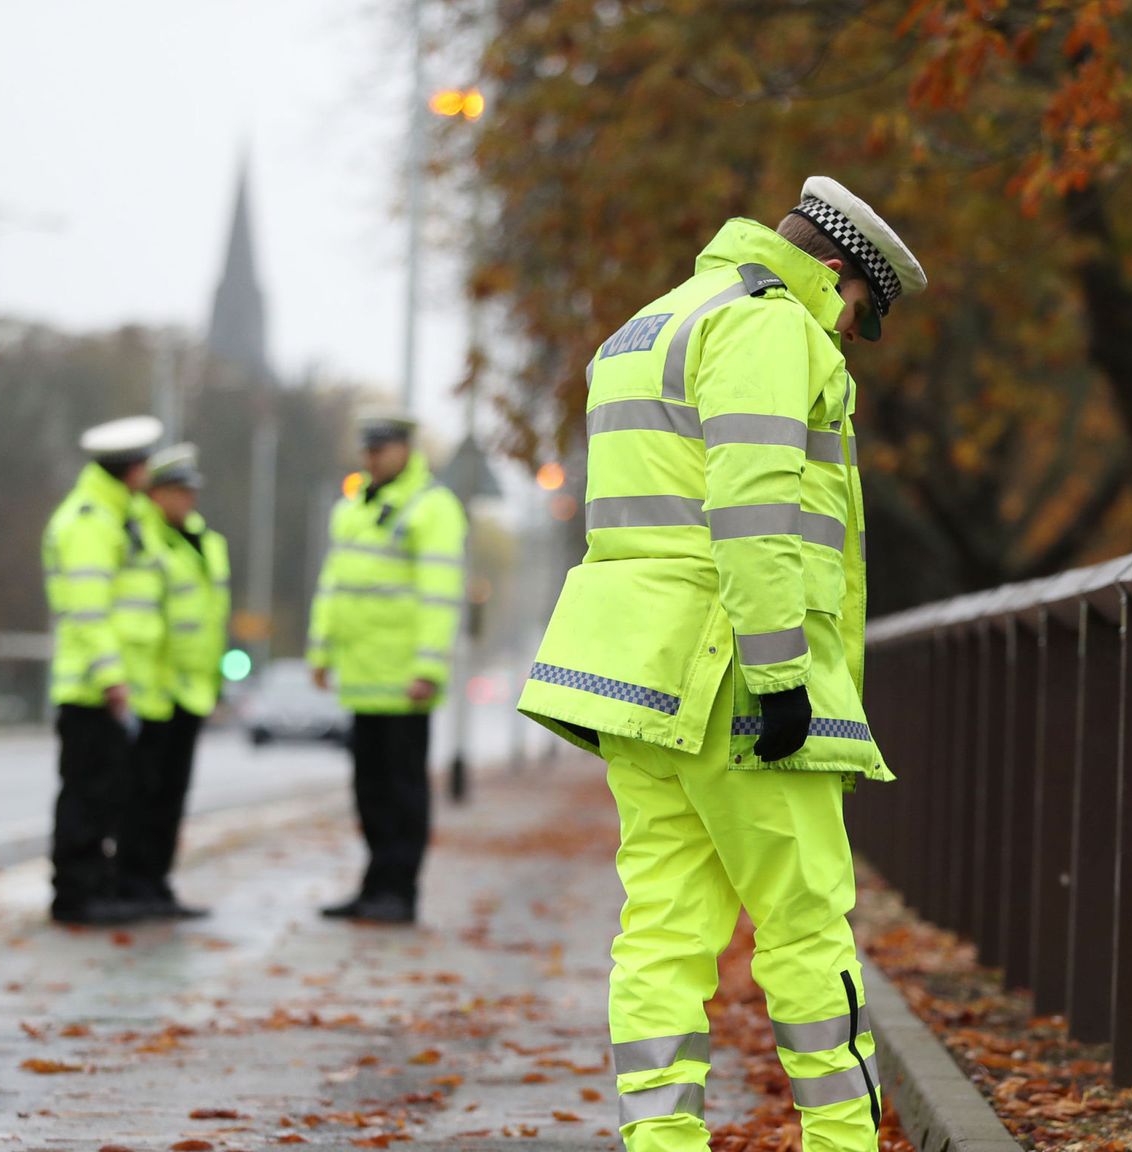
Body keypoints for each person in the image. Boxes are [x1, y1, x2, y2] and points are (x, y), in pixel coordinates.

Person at [517, 176, 926, 1152]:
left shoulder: (645, 327)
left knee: (660, 932)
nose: (844, 329)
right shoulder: (769, 327)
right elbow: (753, 515)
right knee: (805, 928)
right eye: (855, 312)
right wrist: (782, 674)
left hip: (639, 684)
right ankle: (841, 1144)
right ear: (834, 270)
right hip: (733, 678)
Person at [306, 411, 468, 924]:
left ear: (405, 450)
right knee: (369, 790)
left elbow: (439, 593)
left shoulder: (432, 508)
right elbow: (334, 584)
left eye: (381, 450)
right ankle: (375, 884)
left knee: (401, 790)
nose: (372, 460)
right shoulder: (353, 508)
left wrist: (428, 666)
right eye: (367, 451)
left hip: (404, 681)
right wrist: (320, 649)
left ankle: (398, 891)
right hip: (362, 677)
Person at [41, 414, 165, 926]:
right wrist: (113, 678)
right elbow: (90, 611)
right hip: (93, 686)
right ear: (133, 469)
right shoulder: (92, 521)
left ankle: (96, 887)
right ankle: (76, 893)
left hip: (110, 685)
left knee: (106, 795)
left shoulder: (120, 516)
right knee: (87, 797)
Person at [114, 443, 230, 920]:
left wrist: (215, 680)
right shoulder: (142, 538)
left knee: (172, 796)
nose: (187, 501)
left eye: (190, 492)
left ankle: (157, 884)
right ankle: (131, 883)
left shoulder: (209, 543)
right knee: (140, 794)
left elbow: (210, 619)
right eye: (177, 491)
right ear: (155, 493)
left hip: (191, 688)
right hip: (151, 689)